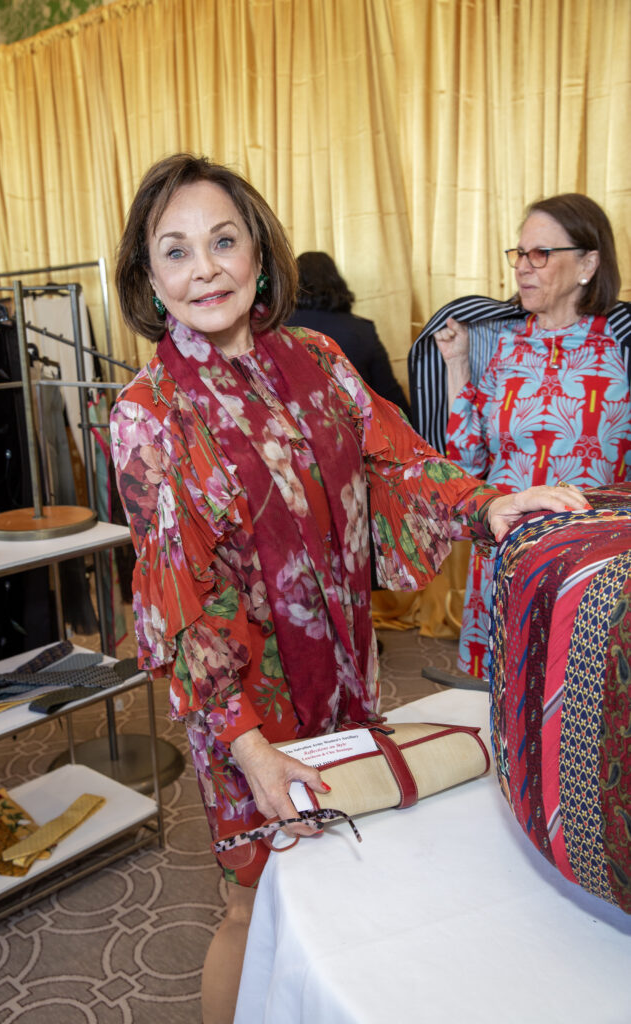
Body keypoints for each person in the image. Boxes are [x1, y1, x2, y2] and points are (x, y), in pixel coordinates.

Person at [109, 156, 589, 1023]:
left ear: (259, 250)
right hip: (244, 708)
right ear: (148, 276)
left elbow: (398, 462)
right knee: (251, 900)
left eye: (222, 240)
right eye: (174, 252)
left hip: (345, 669)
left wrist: (489, 502)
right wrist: (246, 748)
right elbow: (176, 596)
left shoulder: (319, 359)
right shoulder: (150, 411)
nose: (204, 268)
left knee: (352, 875)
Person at [435, 193, 631, 681]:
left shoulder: (621, 345)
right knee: (502, 717)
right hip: (505, 557)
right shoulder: (503, 344)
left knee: (581, 713)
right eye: (519, 254)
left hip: (588, 569)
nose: (523, 267)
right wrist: (457, 365)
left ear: (588, 262)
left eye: (540, 254)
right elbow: (465, 461)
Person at [285, 250, 412, 417]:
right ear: (337, 284)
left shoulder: (277, 331)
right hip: (357, 434)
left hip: (295, 434)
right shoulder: (363, 330)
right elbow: (390, 396)